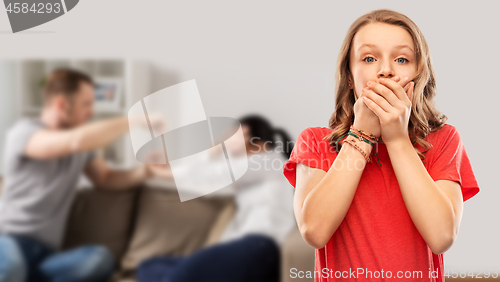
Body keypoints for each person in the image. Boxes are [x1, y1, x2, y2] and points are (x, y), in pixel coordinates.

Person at [283, 9, 480, 282]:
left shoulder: (444, 140)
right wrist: (362, 135)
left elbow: (442, 237)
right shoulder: (316, 142)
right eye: (369, 58)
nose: (386, 69)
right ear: (350, 78)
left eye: (401, 59)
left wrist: (397, 139)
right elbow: (314, 231)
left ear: (418, 75)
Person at [0, 68, 162, 282]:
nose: (91, 111)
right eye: (86, 104)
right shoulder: (24, 133)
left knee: (100, 259)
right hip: (8, 240)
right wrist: (136, 120)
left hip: (46, 254)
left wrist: (146, 171)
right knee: (12, 267)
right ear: (61, 104)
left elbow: (104, 178)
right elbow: (74, 141)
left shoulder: (81, 147)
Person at [137, 114, 297, 282]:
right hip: (239, 250)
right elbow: (204, 181)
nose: (228, 137)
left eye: (234, 133)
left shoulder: (270, 161)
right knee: (149, 265)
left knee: (178, 277)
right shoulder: (247, 177)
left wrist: (162, 173)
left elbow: (216, 173)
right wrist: (215, 149)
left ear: (249, 136)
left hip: (260, 248)